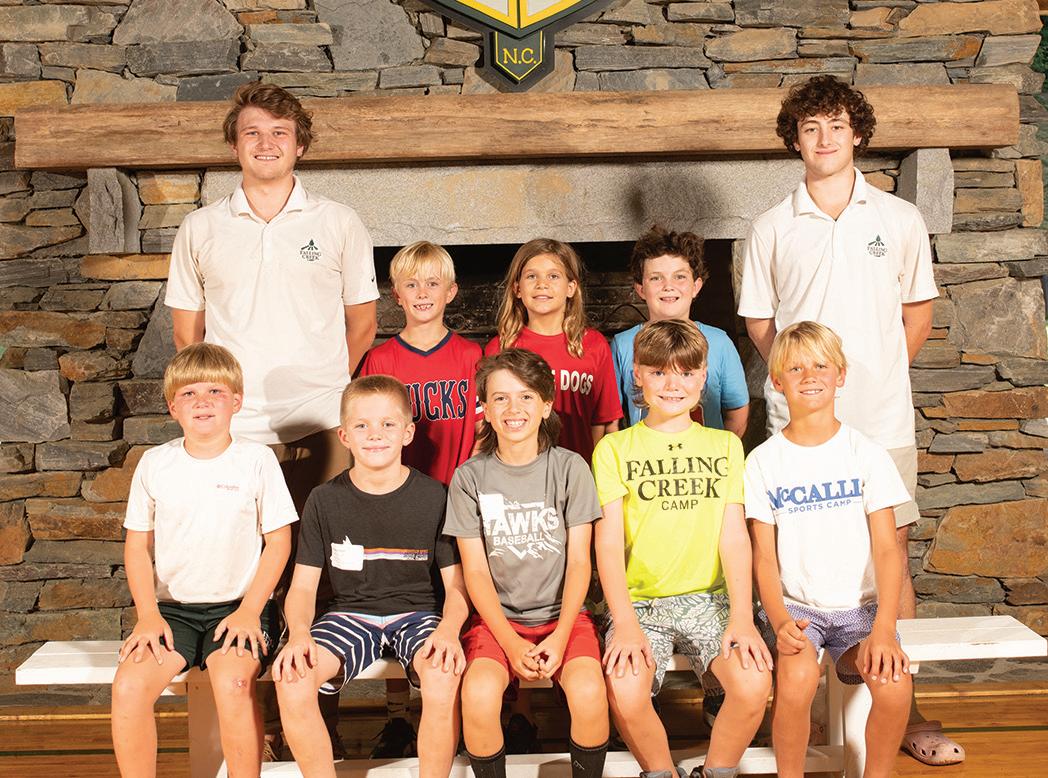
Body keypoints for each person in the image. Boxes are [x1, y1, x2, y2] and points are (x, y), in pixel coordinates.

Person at [736, 75, 956, 766]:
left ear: (857, 133)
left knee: (891, 559)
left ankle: (909, 712)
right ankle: (802, 707)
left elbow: (916, 314)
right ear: (794, 141)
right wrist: (806, 390)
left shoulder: (899, 218)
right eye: (810, 128)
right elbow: (761, 322)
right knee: (797, 563)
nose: (824, 138)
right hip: (797, 429)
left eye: (836, 125)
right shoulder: (771, 226)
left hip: (881, 422)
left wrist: (867, 380)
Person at [165, 81, 379, 757]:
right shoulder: (201, 228)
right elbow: (188, 334)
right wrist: (219, 410)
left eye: (280, 133)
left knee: (324, 569)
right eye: (253, 133)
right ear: (235, 145)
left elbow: (362, 320)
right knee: (246, 574)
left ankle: (313, 720)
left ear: (300, 145)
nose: (266, 144)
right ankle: (249, 721)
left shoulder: (338, 222)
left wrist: (326, 384)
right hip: (236, 431)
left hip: (320, 421)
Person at [592, 320, 771, 778]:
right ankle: (661, 772)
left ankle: (716, 770)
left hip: (710, 600)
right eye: (659, 372)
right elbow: (607, 543)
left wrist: (742, 616)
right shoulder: (613, 449)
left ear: (704, 375)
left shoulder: (726, 446)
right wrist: (624, 622)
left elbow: (734, 536)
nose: (673, 384)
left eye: (687, 373)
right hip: (640, 604)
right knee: (625, 690)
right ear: (637, 374)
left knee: (753, 683)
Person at [111, 343, 297, 778]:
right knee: (129, 687)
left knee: (234, 683)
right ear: (173, 407)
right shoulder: (155, 464)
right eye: (189, 394)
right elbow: (137, 547)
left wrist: (250, 610)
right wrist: (147, 615)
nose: (203, 402)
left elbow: (279, 542)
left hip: (240, 608)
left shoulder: (256, 460)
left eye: (215, 391)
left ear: (237, 401)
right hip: (172, 612)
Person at [272, 376, 470, 778]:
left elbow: (456, 585)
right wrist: (299, 634)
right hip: (350, 614)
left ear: (408, 432)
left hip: (418, 613)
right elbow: (303, 586)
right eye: (362, 425)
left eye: (387, 424)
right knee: (293, 678)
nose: (375, 435)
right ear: (344, 435)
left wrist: (449, 631)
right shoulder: (324, 500)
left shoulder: (435, 496)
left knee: (443, 672)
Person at [746, 321, 913, 778]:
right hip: (798, 607)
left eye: (821, 366)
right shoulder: (763, 461)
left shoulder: (867, 454)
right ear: (777, 381)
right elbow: (764, 556)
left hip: (862, 609)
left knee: (894, 685)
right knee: (797, 680)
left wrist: (884, 628)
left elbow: (887, 549)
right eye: (795, 368)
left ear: (840, 374)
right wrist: (779, 620)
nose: (809, 376)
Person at [444, 349, 610, 778]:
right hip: (497, 621)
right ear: (484, 408)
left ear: (547, 405)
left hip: (564, 618)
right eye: (500, 398)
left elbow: (580, 563)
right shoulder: (469, 477)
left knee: (588, 691)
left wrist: (559, 635)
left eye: (526, 397)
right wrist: (511, 642)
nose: (512, 409)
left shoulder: (571, 468)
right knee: (478, 694)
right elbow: (474, 571)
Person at [359, 240, 482, 755]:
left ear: (451, 292)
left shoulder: (473, 356)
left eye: (433, 283)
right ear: (396, 294)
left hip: (458, 501)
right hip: (398, 503)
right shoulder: (380, 358)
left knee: (462, 604)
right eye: (412, 284)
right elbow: (366, 433)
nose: (423, 292)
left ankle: (480, 714)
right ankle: (398, 719)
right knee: (397, 601)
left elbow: (484, 434)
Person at [484, 238, 621, 464]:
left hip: (579, 471)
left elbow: (606, 421)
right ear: (517, 289)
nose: (542, 284)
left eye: (553, 276)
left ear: (571, 288)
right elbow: (488, 422)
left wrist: (593, 471)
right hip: (519, 472)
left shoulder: (594, 344)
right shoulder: (500, 348)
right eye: (531, 276)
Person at [612, 225, 749, 438]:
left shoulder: (720, 342)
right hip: (643, 456)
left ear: (696, 286)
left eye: (679, 277)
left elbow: (737, 412)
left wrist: (718, 452)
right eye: (656, 278)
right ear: (640, 289)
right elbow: (611, 418)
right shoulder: (622, 344)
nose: (668, 286)